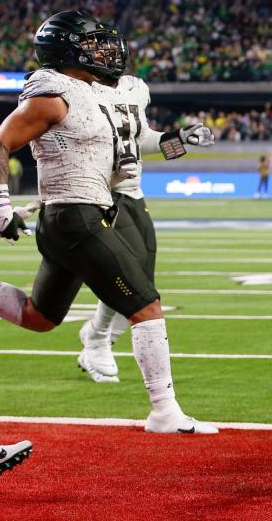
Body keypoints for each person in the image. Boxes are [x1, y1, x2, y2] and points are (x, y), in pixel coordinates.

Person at [0, 9, 216, 434]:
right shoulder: (51, 93)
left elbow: (131, 144)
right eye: (94, 45)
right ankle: (164, 411)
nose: (106, 53)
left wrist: (178, 143)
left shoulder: (97, 91)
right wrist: (0, 208)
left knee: (38, 317)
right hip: (75, 218)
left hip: (79, 214)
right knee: (145, 305)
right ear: (66, 51)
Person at [66, 58, 215, 384]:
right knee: (128, 277)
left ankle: (98, 337)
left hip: (134, 193)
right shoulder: (78, 90)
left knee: (143, 284)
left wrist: (181, 141)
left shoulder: (136, 88)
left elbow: (141, 139)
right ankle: (97, 339)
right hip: (102, 193)